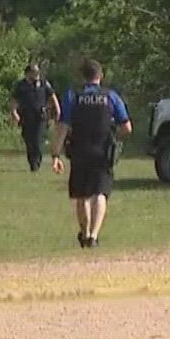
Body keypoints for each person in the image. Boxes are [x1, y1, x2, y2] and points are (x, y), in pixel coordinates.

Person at [50, 59, 131, 249]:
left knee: (82, 194)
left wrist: (55, 154)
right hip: (103, 151)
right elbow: (126, 127)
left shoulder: (73, 96)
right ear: (100, 76)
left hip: (79, 149)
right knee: (100, 192)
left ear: (82, 77)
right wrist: (113, 137)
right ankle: (94, 235)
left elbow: (63, 126)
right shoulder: (110, 96)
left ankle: (84, 233)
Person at [8, 63, 60, 172]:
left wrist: (57, 110)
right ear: (27, 73)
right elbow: (14, 100)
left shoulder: (43, 83)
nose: (36, 75)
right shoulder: (20, 85)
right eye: (34, 73)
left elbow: (52, 96)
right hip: (26, 117)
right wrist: (14, 112)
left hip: (41, 117)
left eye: (37, 72)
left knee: (37, 140)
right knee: (29, 141)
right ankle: (32, 163)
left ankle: (36, 164)